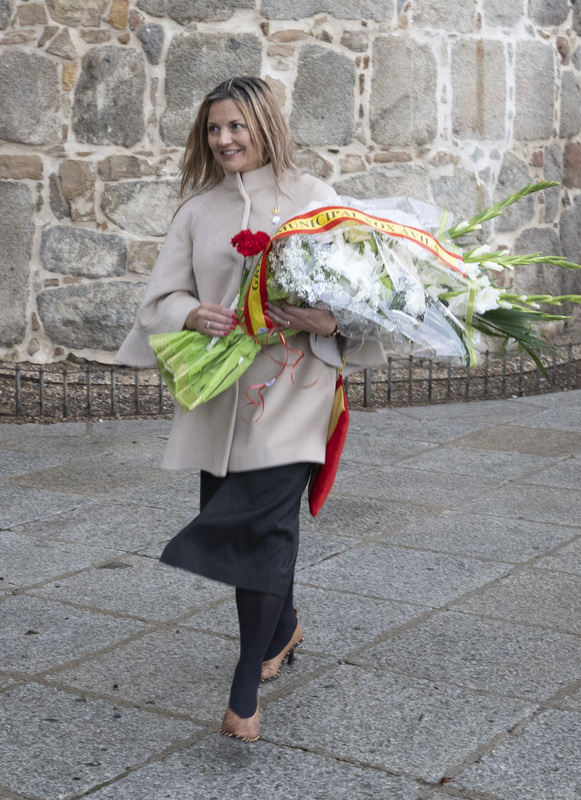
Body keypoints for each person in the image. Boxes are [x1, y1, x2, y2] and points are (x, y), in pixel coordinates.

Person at [115, 77, 384, 742]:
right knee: (231, 522)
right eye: (214, 129)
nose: (225, 139)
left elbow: (367, 295)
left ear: (264, 125)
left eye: (236, 126)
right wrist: (190, 311)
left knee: (262, 529)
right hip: (220, 397)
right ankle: (284, 624)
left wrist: (325, 317)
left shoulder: (315, 199)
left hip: (295, 386)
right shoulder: (198, 211)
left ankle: (242, 698)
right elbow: (159, 300)